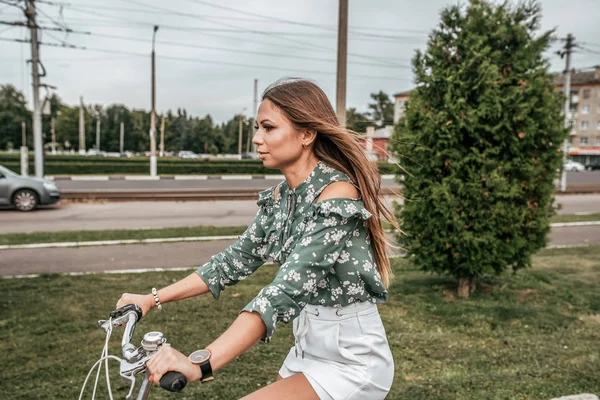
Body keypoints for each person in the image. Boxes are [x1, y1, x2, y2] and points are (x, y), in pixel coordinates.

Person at [116, 78, 399, 400]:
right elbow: (232, 262)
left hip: (352, 359)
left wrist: (202, 364)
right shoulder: (281, 196)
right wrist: (151, 299)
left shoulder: (337, 194)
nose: (256, 139)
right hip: (307, 347)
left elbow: (285, 290)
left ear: (307, 134)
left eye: (268, 128)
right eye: (257, 127)